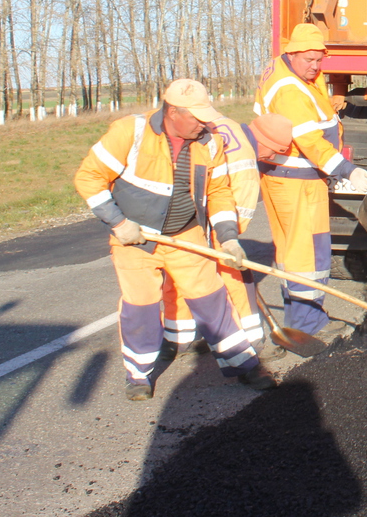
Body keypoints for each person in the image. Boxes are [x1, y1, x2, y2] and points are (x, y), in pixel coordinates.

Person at [74, 79, 277, 400]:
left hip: (186, 235)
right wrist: (119, 223)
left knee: (212, 301)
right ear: (172, 112)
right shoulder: (130, 132)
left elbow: (219, 192)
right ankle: (138, 376)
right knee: (140, 307)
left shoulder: (210, 142)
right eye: (196, 117)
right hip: (135, 240)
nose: (203, 124)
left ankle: (244, 364)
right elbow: (88, 177)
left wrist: (228, 238)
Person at [255, 24, 367, 337]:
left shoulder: (291, 69)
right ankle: (306, 326)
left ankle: (303, 319)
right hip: (296, 181)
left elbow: (315, 103)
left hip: (296, 178)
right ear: (292, 53)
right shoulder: (288, 91)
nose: (316, 66)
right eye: (309, 60)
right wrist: (347, 170)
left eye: (320, 60)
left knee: (300, 252)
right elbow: (310, 141)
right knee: (306, 255)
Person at [159, 112, 295, 362]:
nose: (271, 159)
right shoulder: (247, 166)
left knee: (178, 275)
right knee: (236, 277)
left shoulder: (227, 125)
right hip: (208, 222)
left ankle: (178, 339)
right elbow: (236, 219)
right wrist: (227, 241)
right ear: (264, 142)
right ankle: (250, 341)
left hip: (178, 213)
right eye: (274, 152)